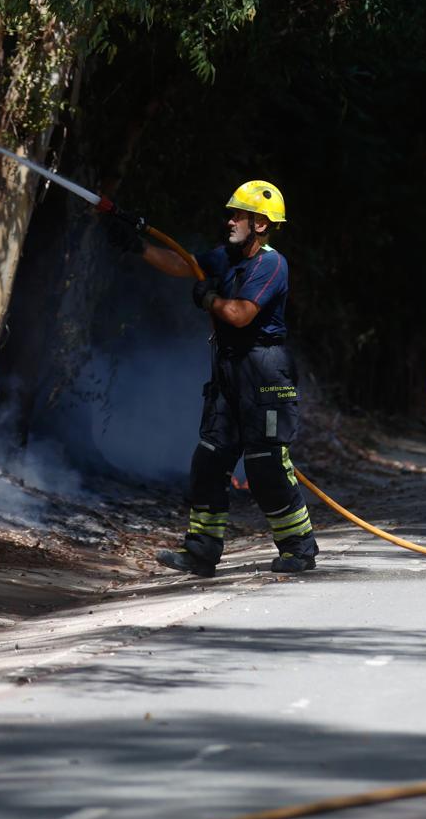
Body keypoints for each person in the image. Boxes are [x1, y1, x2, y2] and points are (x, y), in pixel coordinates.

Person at [104, 181, 318, 577]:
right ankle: (201, 552)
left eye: (239, 214)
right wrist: (137, 246)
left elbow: (240, 314)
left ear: (260, 224)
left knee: (266, 465)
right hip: (230, 373)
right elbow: (185, 265)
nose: (230, 220)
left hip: (265, 374)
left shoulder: (271, 264)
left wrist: (209, 300)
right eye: (232, 213)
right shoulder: (226, 257)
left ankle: (299, 549)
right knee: (209, 460)